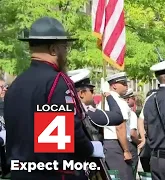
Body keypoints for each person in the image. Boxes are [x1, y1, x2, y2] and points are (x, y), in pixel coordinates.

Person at [4, 17, 104, 180]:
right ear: (53, 50)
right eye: (65, 47)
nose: (66, 53)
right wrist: (89, 149)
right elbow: (65, 135)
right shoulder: (56, 82)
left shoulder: (16, 84)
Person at [99, 72, 134, 180]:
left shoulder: (102, 102)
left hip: (108, 144)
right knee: (124, 176)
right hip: (118, 144)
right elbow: (120, 127)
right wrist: (126, 150)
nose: (126, 86)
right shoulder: (119, 102)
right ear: (114, 85)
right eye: (123, 83)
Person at [137, 89, 157, 172]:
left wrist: (143, 138)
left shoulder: (148, 105)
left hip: (150, 146)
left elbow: (140, 120)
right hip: (151, 146)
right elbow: (140, 120)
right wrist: (143, 138)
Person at [122, 88, 139, 176]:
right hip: (129, 145)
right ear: (128, 99)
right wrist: (139, 142)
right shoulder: (131, 114)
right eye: (134, 98)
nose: (135, 100)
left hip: (117, 145)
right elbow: (132, 134)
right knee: (131, 172)